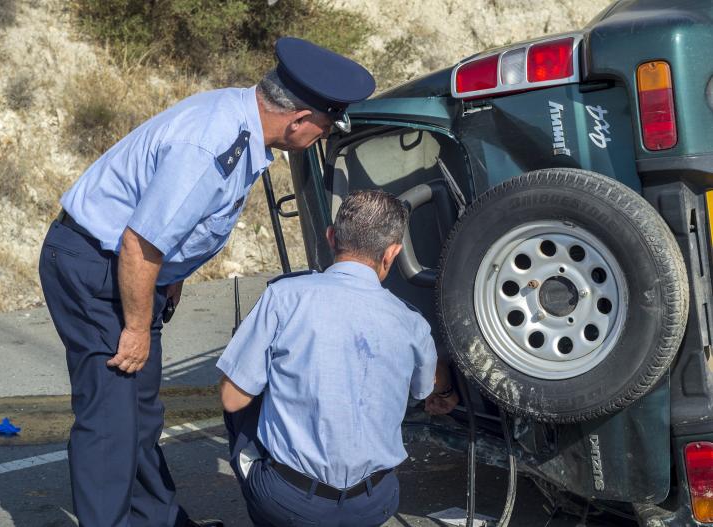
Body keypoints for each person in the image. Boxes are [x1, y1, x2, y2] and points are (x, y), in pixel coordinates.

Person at [38, 37, 376, 527]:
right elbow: (140, 243)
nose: (321, 138)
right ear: (299, 119)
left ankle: (156, 521)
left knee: (139, 416)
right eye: (324, 128)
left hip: (129, 270)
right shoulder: (213, 144)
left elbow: (172, 226)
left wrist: (171, 277)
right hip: (98, 267)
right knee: (110, 421)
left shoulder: (238, 119)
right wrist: (135, 328)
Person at [217, 189, 460, 527]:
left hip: (288, 503)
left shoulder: (284, 296)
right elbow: (424, 390)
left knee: (242, 392)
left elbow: (232, 398)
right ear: (392, 253)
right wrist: (445, 388)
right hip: (373, 504)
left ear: (331, 237)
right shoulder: (412, 323)